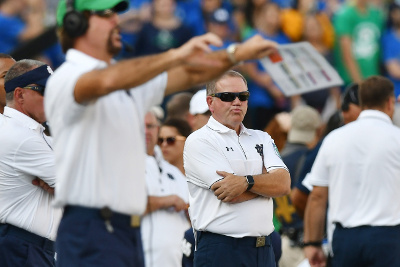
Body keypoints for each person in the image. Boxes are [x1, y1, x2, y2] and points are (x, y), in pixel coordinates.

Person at [44, 0, 279, 266]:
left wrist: (236, 52)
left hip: (123, 232)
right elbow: (106, 81)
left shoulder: (125, 82)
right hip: (91, 227)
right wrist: (175, 54)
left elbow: (188, 73)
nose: (116, 21)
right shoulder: (67, 77)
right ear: (76, 23)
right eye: (106, 14)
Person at [183, 70, 291, 267]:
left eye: (243, 96)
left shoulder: (262, 137)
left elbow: (284, 184)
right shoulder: (199, 140)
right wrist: (267, 184)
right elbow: (230, 194)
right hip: (222, 249)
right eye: (227, 96)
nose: (237, 101)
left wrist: (245, 182)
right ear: (210, 103)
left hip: (264, 249)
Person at [303, 75, 400, 267]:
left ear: (362, 102)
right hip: (388, 238)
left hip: (345, 239)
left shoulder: (333, 139)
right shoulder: (397, 138)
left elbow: (318, 196)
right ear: (390, 103)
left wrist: (312, 243)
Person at [0, 59, 61, 267]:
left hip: (29, 247)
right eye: (46, 91)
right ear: (19, 94)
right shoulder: (20, 137)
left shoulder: (31, 132)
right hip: (22, 247)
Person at [142, 109, 190, 267]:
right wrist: (169, 201)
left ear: (157, 128)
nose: (145, 131)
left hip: (180, 260)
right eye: (140, 126)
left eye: (150, 126)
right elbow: (126, 208)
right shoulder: (124, 165)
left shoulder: (174, 172)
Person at [276, 105, 321, 267]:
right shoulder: (314, 159)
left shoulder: (275, 160)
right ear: (318, 130)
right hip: (310, 248)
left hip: (284, 244)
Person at [333, 0, 384, 85]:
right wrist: (359, 83)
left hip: (373, 78)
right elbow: (346, 53)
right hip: (351, 81)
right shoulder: (345, 15)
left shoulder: (376, 15)